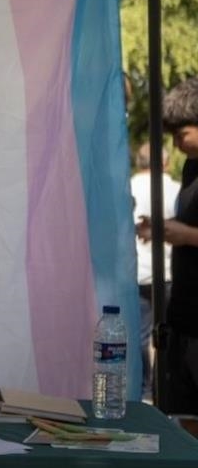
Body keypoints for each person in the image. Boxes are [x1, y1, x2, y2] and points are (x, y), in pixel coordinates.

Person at [137, 77, 198, 414]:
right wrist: (162, 228)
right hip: (183, 317)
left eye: (182, 134)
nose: (176, 144)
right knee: (180, 415)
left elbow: (190, 231)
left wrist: (184, 234)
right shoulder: (191, 168)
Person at [131, 141, 180, 400]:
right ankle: (164, 389)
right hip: (167, 274)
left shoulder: (128, 186)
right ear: (165, 162)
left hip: (137, 273)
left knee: (139, 336)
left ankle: (144, 390)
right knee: (167, 335)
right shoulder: (174, 189)